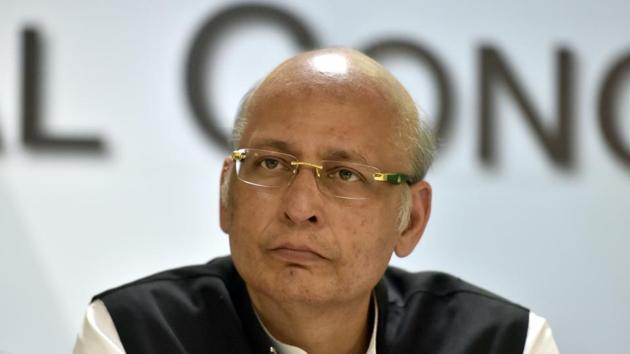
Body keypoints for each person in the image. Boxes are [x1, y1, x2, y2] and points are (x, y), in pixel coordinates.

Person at [73, 48, 559, 354]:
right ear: (226, 194)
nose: (300, 206)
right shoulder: (136, 334)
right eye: (270, 164)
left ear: (411, 220)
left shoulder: (505, 342)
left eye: (346, 174)